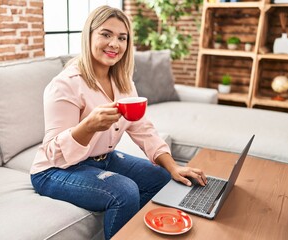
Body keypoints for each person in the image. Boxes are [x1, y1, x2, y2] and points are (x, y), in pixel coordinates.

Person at [30, 5, 207, 240]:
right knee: (124, 191)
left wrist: (173, 166)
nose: (115, 43)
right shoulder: (65, 84)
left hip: (101, 160)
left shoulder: (124, 83)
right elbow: (53, 151)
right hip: (54, 169)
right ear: (89, 35)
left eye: (122, 38)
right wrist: (87, 127)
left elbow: (144, 129)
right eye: (106, 34)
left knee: (161, 177)